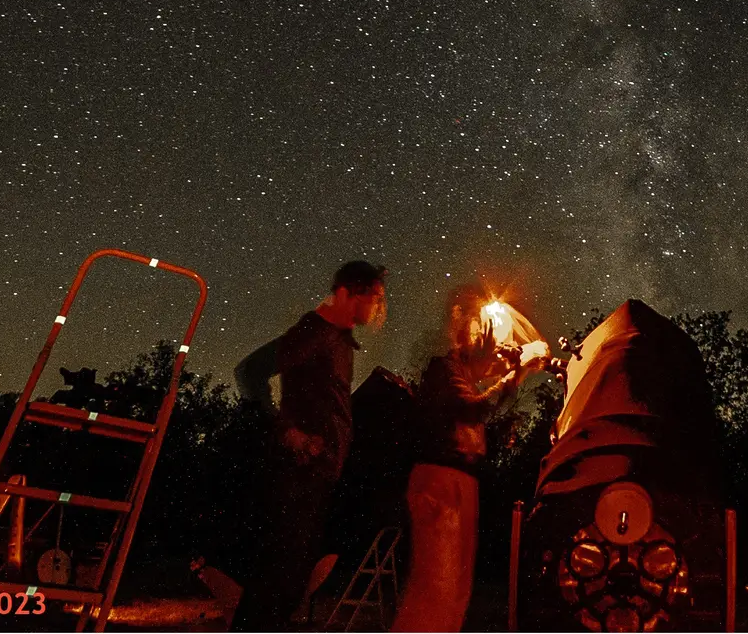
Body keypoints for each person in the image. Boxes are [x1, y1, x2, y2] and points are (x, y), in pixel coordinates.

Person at [232, 260, 388, 628]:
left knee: (291, 579)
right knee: (278, 578)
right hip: (297, 474)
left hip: (317, 475)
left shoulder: (338, 341)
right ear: (346, 294)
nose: (379, 308)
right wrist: (288, 432)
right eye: (374, 298)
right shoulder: (314, 332)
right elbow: (250, 372)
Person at [389, 285, 546, 632]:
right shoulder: (441, 369)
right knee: (435, 590)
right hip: (441, 481)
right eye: (479, 323)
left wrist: (517, 366)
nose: (486, 332)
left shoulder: (464, 373)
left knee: (455, 595)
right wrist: (515, 373)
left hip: (458, 483)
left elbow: (484, 385)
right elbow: (474, 410)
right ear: (461, 324)